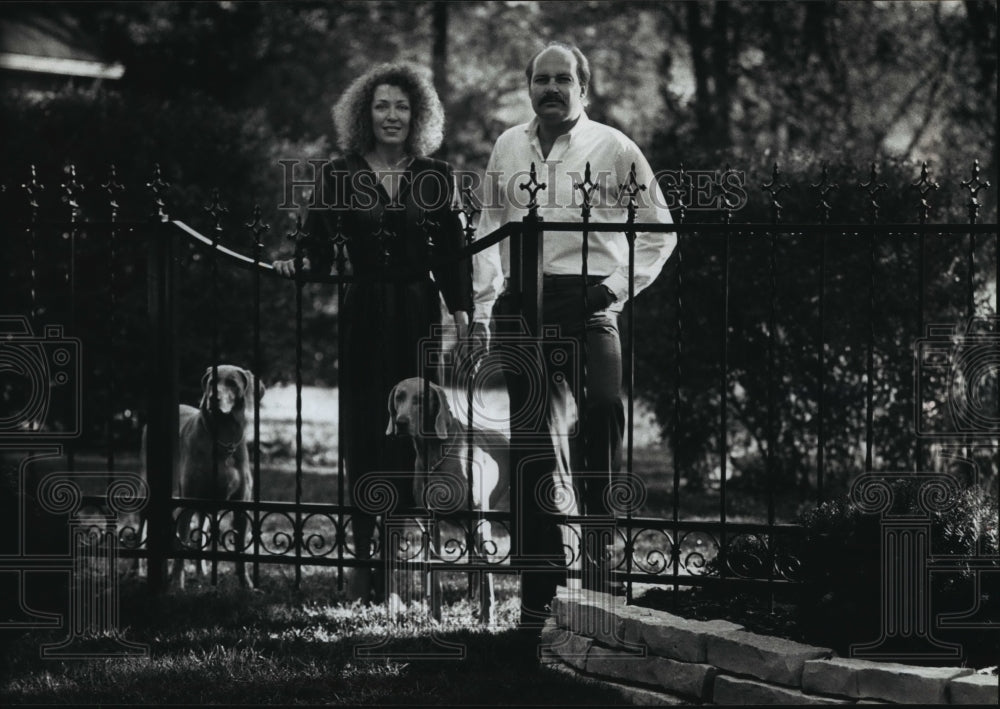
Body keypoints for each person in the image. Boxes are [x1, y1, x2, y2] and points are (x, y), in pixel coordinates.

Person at [470, 42, 675, 617]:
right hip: (521, 305)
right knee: (537, 442)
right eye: (542, 79)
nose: (552, 88)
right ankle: (542, 592)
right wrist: (486, 308)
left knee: (604, 412)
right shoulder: (508, 146)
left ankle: (602, 570)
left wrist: (613, 289)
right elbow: (488, 228)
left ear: (584, 88)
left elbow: (661, 231)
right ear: (528, 86)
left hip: (587, 301)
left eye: (564, 79)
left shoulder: (614, 147)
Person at [273, 62, 472, 603]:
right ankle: (365, 562)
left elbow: (452, 252)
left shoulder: (435, 176)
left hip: (416, 312)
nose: (392, 115)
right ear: (366, 113)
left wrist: (462, 310)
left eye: (402, 106)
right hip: (362, 314)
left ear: (418, 115)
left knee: (417, 434)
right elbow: (314, 242)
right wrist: (299, 263)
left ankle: (403, 560)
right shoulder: (339, 174)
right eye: (382, 105)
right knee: (365, 430)